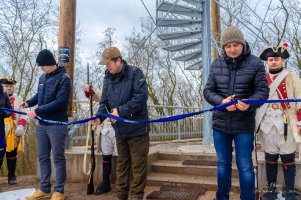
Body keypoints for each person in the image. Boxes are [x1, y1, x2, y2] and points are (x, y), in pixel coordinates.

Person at [203, 26, 269, 200]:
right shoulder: (216, 64)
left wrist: (249, 104)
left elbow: (262, 92)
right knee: (223, 165)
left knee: (245, 166)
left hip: (244, 125)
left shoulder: (255, 63)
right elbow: (208, 91)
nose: (232, 49)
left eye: (235, 45)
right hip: (220, 125)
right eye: (228, 46)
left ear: (242, 44)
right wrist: (222, 102)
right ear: (223, 48)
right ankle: (222, 197)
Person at [91, 47, 150, 200]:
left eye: (108, 63)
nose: (106, 67)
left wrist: (120, 111)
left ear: (118, 61)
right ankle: (120, 195)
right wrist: (99, 117)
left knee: (138, 166)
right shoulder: (107, 77)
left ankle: (136, 196)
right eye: (105, 65)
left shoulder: (136, 73)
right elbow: (104, 102)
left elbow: (141, 97)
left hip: (137, 129)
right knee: (122, 165)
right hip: (120, 130)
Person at [18, 49, 72, 200]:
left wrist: (38, 110)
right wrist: (28, 102)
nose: (41, 68)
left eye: (42, 65)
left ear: (50, 63)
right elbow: (39, 95)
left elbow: (60, 102)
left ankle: (59, 191)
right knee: (43, 157)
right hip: (42, 125)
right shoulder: (42, 77)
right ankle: (45, 188)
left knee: (58, 158)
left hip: (56, 124)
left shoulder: (64, 79)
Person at [256, 44, 301, 200]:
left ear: (282, 60)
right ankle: (272, 191)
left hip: (286, 123)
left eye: (276, 59)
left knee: (288, 158)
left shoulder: (291, 76)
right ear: (267, 62)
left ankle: (289, 192)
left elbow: (300, 99)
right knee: (270, 158)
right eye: (270, 60)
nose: (273, 62)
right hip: (267, 123)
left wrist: (300, 123)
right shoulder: (261, 78)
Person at [83, 86, 118, 195]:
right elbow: (95, 96)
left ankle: (122, 184)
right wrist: (89, 91)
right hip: (105, 129)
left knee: (122, 156)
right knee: (106, 155)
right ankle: (106, 183)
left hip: (118, 128)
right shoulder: (105, 91)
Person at [0, 76, 27, 185]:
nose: (8, 88)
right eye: (6, 86)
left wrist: (21, 126)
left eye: (11, 86)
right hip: (1, 129)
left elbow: (24, 114)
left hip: (14, 131)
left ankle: (11, 176)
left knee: (12, 154)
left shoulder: (19, 99)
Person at [0, 84, 13, 175]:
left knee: (1, 149)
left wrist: (3, 113)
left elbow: (10, 110)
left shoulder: (3, 94)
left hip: (0, 127)